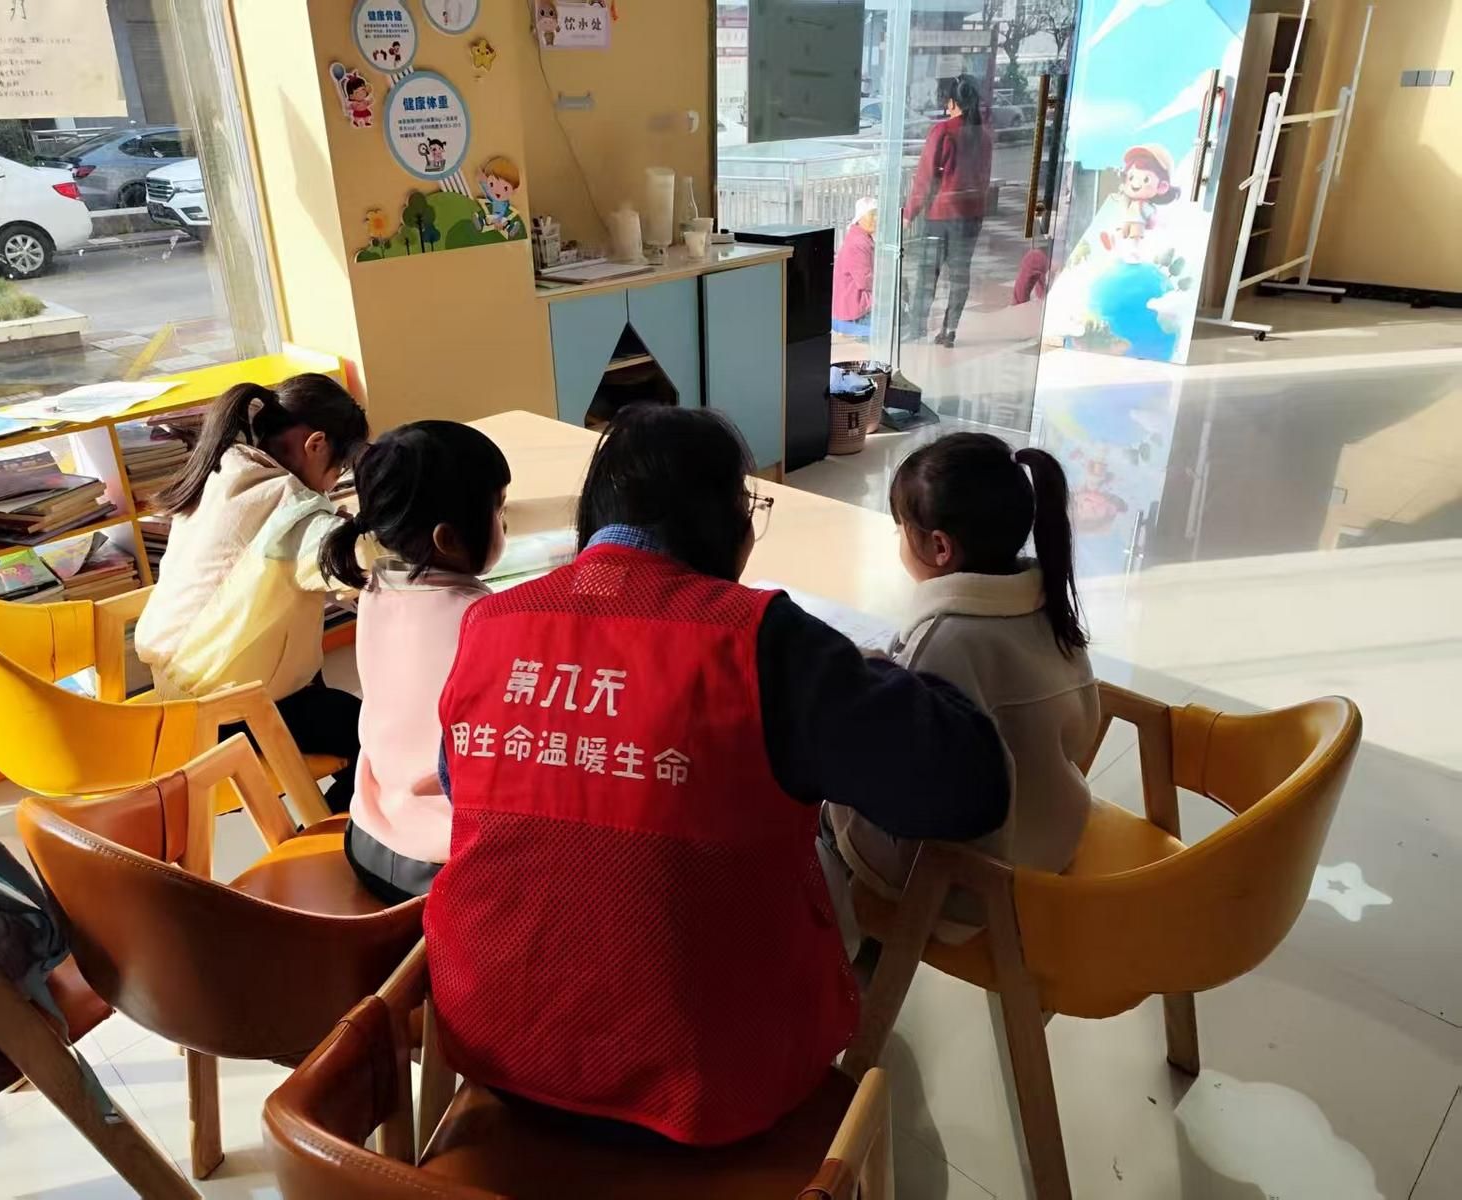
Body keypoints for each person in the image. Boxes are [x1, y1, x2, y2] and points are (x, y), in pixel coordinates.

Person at [424, 404, 1009, 1147]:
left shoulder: (491, 623)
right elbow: (970, 786)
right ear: (725, 518)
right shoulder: (769, 646)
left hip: (498, 1054)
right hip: (709, 1087)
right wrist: (875, 673)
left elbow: (460, 783)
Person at [830, 433, 1099, 919]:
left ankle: (857, 939)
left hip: (968, 882)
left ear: (939, 547)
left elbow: (902, 780)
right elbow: (1082, 733)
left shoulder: (942, 641)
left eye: (901, 529)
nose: (899, 540)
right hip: (1054, 841)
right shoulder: (1051, 610)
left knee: (820, 793)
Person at [135, 374, 369, 811]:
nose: (332, 484)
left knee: (333, 707)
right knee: (374, 739)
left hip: (175, 697)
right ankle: (334, 832)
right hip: (231, 715)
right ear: (316, 444)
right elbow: (357, 566)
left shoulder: (222, 472)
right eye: (338, 471)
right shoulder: (293, 512)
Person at [320, 422, 511, 905]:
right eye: (499, 511)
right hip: (442, 867)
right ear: (448, 539)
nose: (504, 524)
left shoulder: (377, 589)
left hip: (366, 837)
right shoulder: (483, 620)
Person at [905, 77, 993, 348]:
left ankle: (917, 329)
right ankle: (948, 331)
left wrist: (909, 213)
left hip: (941, 216)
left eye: (947, 101)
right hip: (971, 217)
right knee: (959, 275)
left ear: (953, 102)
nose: (945, 106)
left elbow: (926, 177)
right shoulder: (983, 135)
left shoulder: (942, 132)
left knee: (927, 275)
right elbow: (984, 178)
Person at [832, 196, 878, 335]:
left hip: (852, 308)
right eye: (872, 215)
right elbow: (865, 280)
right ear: (860, 218)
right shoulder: (858, 243)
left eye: (877, 215)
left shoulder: (860, 237)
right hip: (853, 314)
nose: (876, 219)